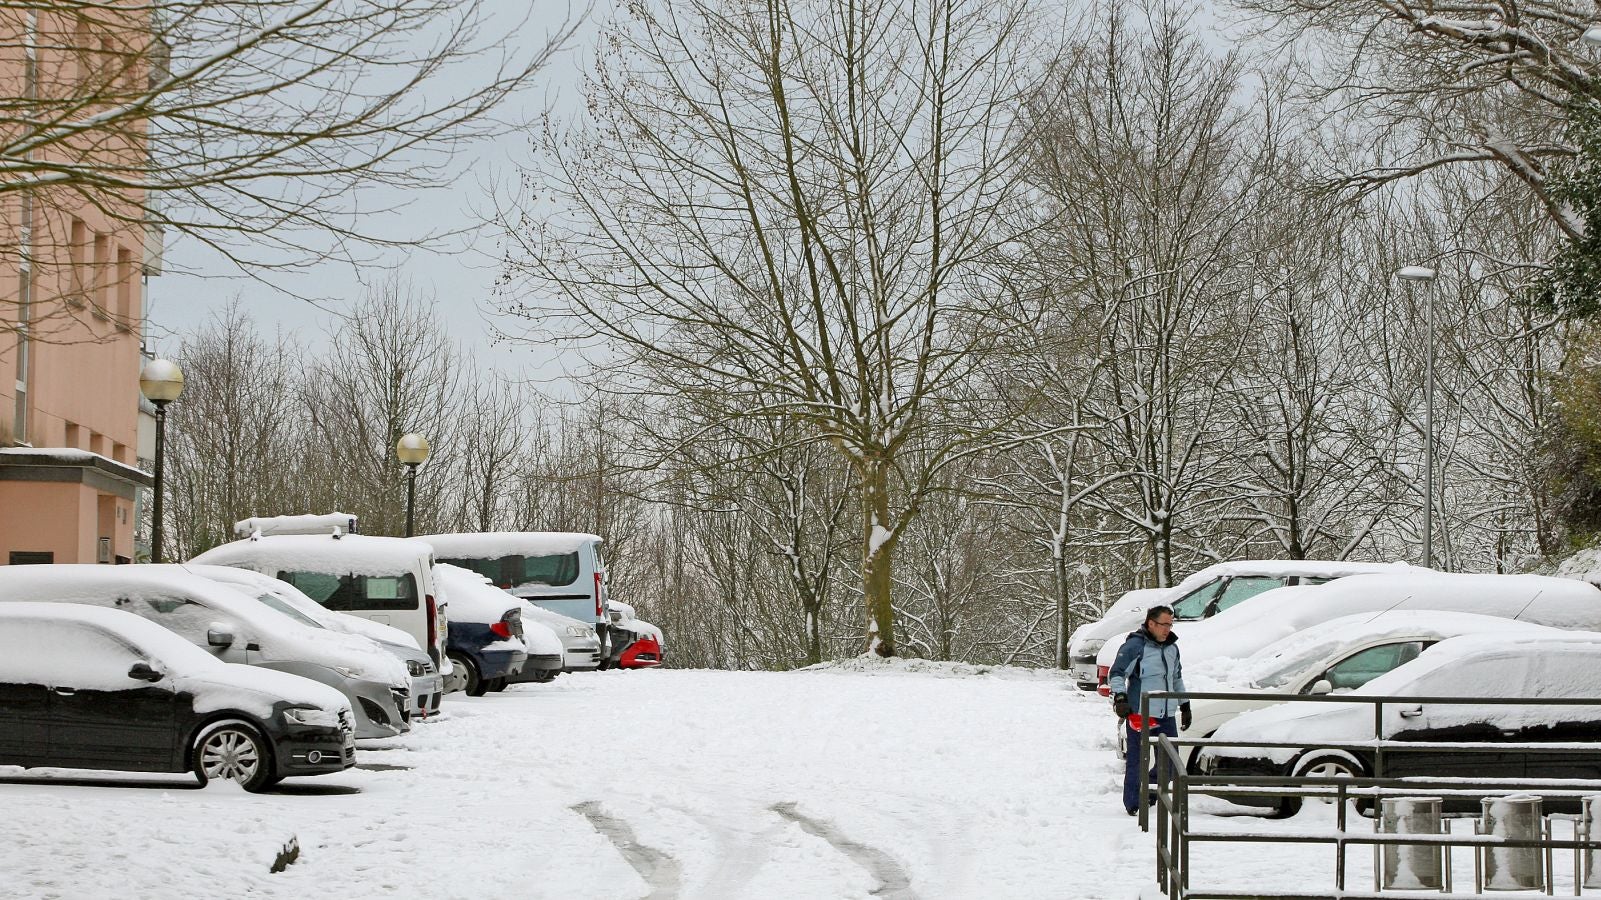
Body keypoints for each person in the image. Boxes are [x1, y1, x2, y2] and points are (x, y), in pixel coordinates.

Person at [1108, 604, 1192, 816]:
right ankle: (1133, 803)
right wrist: (1120, 698)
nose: (1168, 629)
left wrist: (1184, 703)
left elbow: (1176, 678)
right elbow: (1117, 673)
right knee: (1137, 761)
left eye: (1170, 624)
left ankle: (1151, 793)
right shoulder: (1135, 646)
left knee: (1171, 764)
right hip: (1140, 713)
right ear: (1151, 623)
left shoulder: (1172, 648)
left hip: (1166, 714)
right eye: (1164, 624)